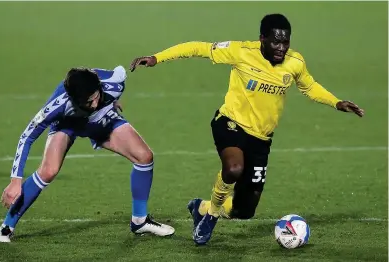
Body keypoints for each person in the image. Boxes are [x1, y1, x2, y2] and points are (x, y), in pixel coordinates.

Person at [130, 14, 364, 245]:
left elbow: (309, 86)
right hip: (231, 123)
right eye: (276, 41)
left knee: (244, 209)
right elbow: (197, 48)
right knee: (233, 169)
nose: (281, 47)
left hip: (261, 139)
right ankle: (211, 216)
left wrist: (336, 102)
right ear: (262, 38)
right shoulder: (241, 51)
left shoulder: (295, 62)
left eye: (286, 42)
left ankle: (201, 207)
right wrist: (156, 58)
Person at [0, 65, 175, 242]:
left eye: (96, 97)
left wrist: (109, 101)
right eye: (88, 102)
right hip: (67, 124)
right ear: (73, 99)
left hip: (99, 120)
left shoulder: (115, 82)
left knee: (144, 157)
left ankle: (139, 221)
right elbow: (27, 137)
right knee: (48, 171)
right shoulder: (58, 106)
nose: (94, 103)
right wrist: (15, 181)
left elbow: (105, 93)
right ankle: (7, 227)